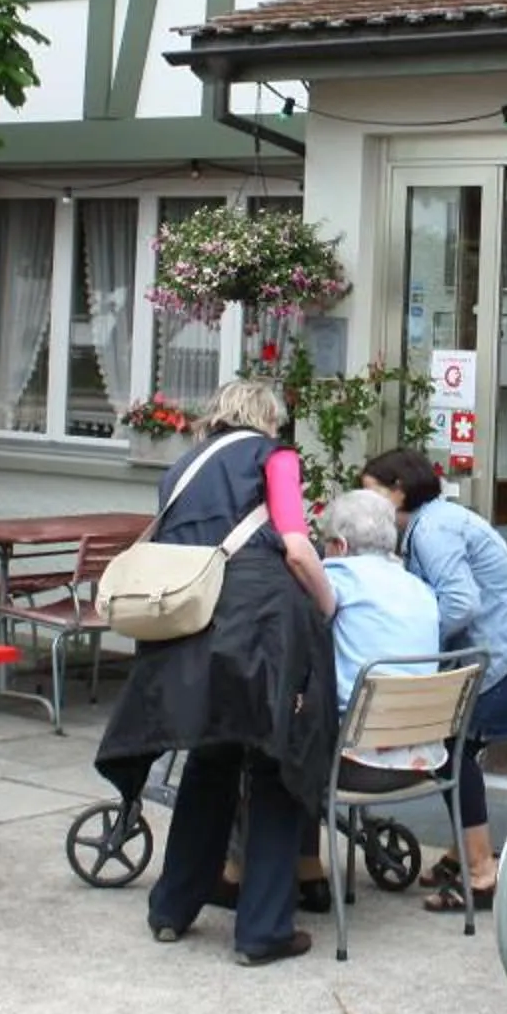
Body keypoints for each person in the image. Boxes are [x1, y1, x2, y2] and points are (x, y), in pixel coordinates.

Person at [94, 378, 339, 967]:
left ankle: (171, 909)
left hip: (189, 624)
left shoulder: (180, 470)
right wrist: (329, 605)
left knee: (211, 757)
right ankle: (262, 932)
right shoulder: (273, 457)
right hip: (258, 623)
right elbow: (298, 549)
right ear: (269, 419)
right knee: (277, 765)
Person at [360, 448, 507, 917]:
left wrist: (414, 643)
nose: (364, 501)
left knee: (451, 748)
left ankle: (481, 873)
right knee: (462, 750)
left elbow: (461, 604)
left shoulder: (431, 530)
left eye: (371, 491)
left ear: (398, 491)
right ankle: (462, 853)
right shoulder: (437, 521)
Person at [319, 487, 451, 791]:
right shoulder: (420, 588)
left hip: (352, 762)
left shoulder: (340, 573)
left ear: (339, 545)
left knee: (268, 753)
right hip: (424, 761)